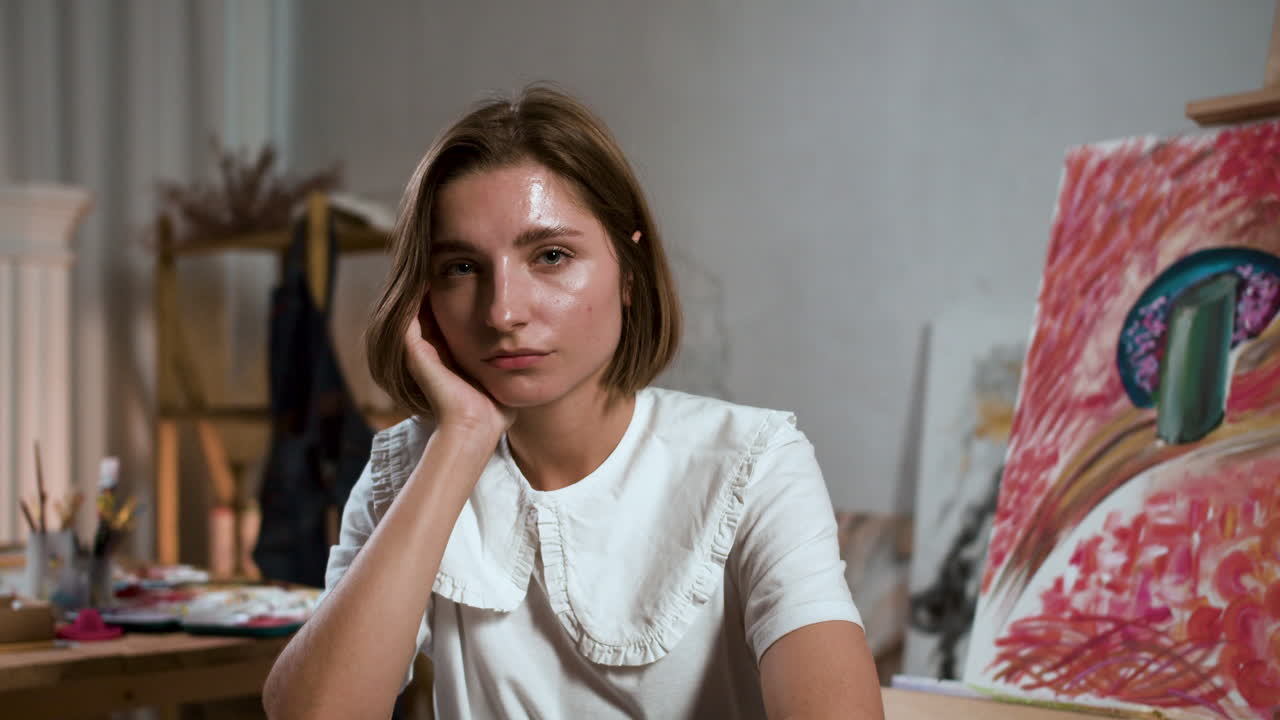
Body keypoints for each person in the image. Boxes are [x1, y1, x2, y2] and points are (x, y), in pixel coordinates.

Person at [262, 85, 884, 720]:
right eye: (461, 268)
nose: (503, 312)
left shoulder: (755, 465)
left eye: (551, 256)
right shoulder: (409, 467)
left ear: (630, 273)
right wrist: (462, 437)